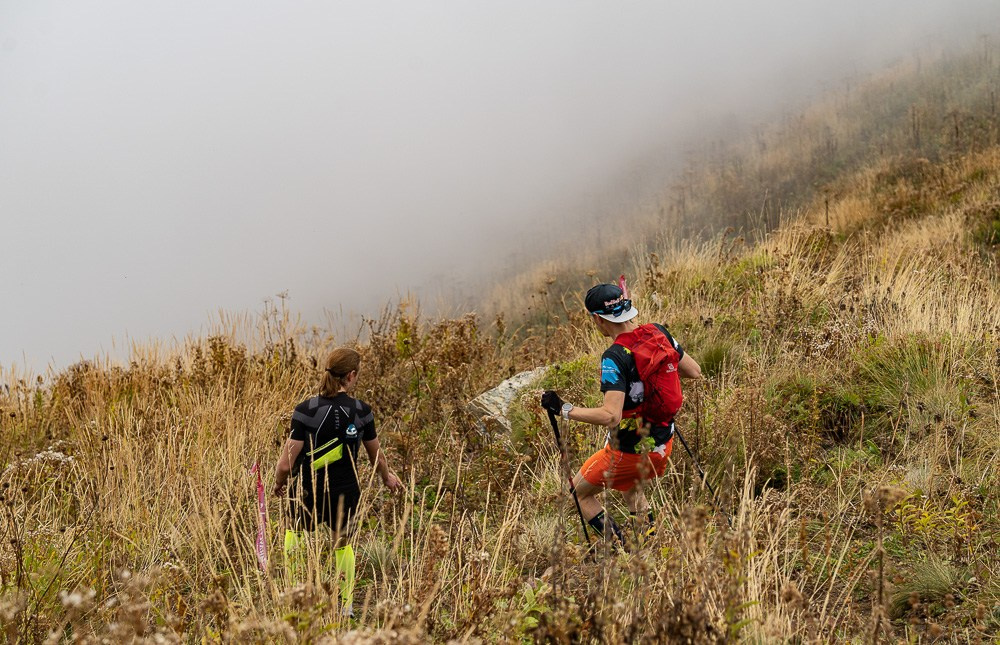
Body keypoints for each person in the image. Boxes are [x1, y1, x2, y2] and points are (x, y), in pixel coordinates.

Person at [541, 281, 702, 546]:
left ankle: (618, 547)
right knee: (631, 485)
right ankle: (648, 540)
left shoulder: (614, 357)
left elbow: (611, 416)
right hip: (663, 443)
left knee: (578, 493)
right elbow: (693, 371)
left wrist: (564, 410)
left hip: (628, 452)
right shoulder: (659, 332)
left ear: (597, 319)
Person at [273, 347, 403, 616]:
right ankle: (345, 608)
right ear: (352, 375)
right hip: (345, 491)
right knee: (342, 545)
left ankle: (295, 599)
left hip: (306, 489)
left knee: (295, 535)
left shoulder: (305, 410)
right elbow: (376, 456)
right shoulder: (361, 411)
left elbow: (286, 463)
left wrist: (279, 482)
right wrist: (387, 477)